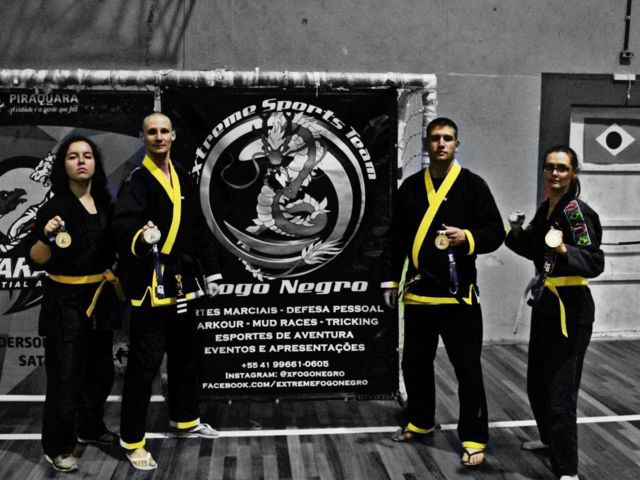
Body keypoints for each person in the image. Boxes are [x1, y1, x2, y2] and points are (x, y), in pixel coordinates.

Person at [381, 117, 504, 467]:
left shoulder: (473, 186)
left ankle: (474, 438)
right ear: (426, 143)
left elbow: (495, 232)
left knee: (467, 370)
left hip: (459, 297)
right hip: (420, 294)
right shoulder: (410, 188)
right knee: (415, 364)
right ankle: (420, 421)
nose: (441, 144)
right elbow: (395, 239)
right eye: (435, 138)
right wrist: (390, 281)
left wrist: (469, 238)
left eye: (448, 138)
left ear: (456, 144)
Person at [114, 112, 222, 471]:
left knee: (185, 356)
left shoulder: (183, 177)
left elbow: (199, 227)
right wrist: (141, 237)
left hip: (182, 281)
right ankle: (132, 441)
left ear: (173, 136)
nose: (159, 137)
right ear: (143, 137)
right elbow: (123, 225)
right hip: (151, 283)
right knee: (144, 367)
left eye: (164, 131)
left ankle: (186, 418)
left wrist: (211, 271)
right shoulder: (137, 180)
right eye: (152, 132)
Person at [505, 145, 604, 480]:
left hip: (571, 309)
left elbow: (595, 262)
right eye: (550, 167)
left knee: (561, 392)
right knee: (537, 383)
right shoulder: (547, 207)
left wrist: (564, 248)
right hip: (546, 303)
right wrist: (517, 231)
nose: (554, 173)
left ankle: (567, 471)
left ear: (573, 173)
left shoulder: (576, 213)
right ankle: (549, 440)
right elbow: (535, 249)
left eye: (562, 168)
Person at [28, 136, 123, 473]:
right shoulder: (55, 208)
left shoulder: (105, 203)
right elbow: (36, 258)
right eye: (73, 156)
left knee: (101, 371)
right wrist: (46, 235)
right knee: (65, 377)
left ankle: (90, 427)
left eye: (87, 156)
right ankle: (57, 446)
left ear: (95, 163)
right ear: (63, 165)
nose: (81, 161)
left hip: (100, 298)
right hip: (65, 302)